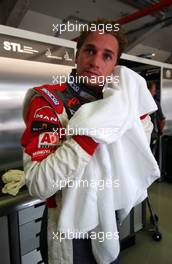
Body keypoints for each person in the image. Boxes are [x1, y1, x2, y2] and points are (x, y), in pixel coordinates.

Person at [21, 19, 158, 264]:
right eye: (90, 50)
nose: (95, 63)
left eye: (107, 56)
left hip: (109, 219)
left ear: (115, 65)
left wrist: (134, 116)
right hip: (67, 231)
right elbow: (39, 184)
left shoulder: (120, 104)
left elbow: (133, 158)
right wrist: (93, 131)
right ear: (77, 55)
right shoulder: (48, 102)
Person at [148, 81, 166, 158]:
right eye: (154, 90)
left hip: (139, 135)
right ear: (148, 90)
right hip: (152, 135)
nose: (155, 93)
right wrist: (160, 132)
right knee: (150, 156)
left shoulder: (136, 101)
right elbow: (162, 120)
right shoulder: (155, 103)